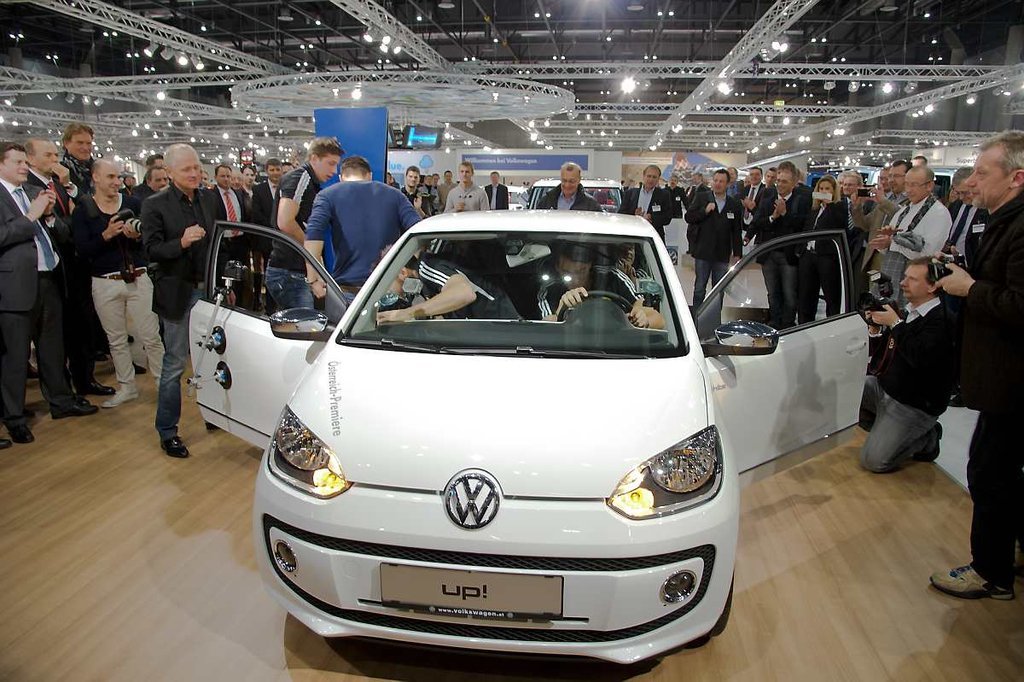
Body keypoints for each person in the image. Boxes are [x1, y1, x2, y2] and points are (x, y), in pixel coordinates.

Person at [930, 130, 1024, 601]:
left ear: (1016, 178)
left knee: (989, 473)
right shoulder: (1002, 221)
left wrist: (970, 289)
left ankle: (991, 572)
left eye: (983, 173)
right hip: (1000, 375)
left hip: (1010, 380)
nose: (971, 182)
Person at [0, 141, 99, 446]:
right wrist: (31, 216)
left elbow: (60, 232)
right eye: (17, 162)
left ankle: (60, 401)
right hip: (15, 286)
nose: (24, 167)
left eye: (24, 162)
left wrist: (49, 216)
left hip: (49, 277)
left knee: (52, 347)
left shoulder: (32, 192)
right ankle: (14, 418)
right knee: (16, 357)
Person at [24, 137, 113, 398]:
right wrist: (66, 222)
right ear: (31, 159)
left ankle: (84, 382)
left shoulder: (58, 184)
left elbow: (83, 213)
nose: (55, 160)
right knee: (55, 336)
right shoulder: (29, 189)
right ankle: (62, 392)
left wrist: (69, 187)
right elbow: (64, 228)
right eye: (49, 155)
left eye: (55, 155)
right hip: (51, 271)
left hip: (73, 267)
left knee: (79, 329)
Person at [72, 159, 164, 408]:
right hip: (104, 282)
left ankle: (163, 383)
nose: (117, 182)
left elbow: (150, 239)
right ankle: (127, 387)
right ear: (96, 178)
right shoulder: (83, 210)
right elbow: (82, 249)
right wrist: (106, 235)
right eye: (111, 177)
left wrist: (137, 235)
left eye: (119, 177)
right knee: (116, 340)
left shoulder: (133, 204)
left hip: (138, 276)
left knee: (151, 336)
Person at [141, 143, 214, 459]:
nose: (194, 173)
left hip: (208, 292)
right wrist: (181, 242)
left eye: (197, 167)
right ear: (169, 172)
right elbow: (151, 250)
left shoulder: (209, 199)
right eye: (187, 169)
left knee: (211, 358)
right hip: (177, 294)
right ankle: (168, 430)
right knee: (174, 363)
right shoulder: (154, 205)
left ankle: (215, 414)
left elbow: (218, 243)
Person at [859, 257, 954, 473]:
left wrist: (895, 324)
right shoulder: (908, 312)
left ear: (932, 286)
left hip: (913, 405)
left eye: (912, 279)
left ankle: (927, 438)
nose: (903, 283)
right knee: (845, 392)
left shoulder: (943, 321)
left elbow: (919, 357)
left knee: (873, 462)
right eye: (905, 277)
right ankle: (887, 430)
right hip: (884, 389)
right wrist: (875, 330)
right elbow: (886, 354)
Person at [304, 155, 420, 305]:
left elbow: (313, 233)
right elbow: (419, 230)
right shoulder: (395, 195)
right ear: (369, 175)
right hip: (387, 287)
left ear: (341, 177)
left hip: (348, 290)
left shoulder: (327, 195)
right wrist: (411, 269)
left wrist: (313, 279)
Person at [265, 137, 342, 311]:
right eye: (330, 163)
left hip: (294, 270)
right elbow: (285, 221)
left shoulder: (311, 183)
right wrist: (311, 251)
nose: (334, 170)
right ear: (314, 158)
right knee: (305, 324)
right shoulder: (301, 177)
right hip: (288, 272)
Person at [869, 166, 951, 308]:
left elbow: (927, 254)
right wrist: (885, 240)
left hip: (916, 279)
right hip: (891, 272)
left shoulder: (939, 213)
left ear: (929, 185)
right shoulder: (906, 209)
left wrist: (893, 242)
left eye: (914, 185)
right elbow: (891, 244)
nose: (908, 190)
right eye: (907, 184)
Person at [537, 242, 664, 329]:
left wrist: (642, 319)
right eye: (567, 273)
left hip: (618, 349)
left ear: (590, 266)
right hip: (569, 351)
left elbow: (657, 318)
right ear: (558, 268)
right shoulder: (549, 291)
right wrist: (560, 311)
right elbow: (545, 328)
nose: (574, 279)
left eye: (581, 271)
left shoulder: (613, 278)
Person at [747, 161, 811, 329]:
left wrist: (784, 214)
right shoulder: (768, 198)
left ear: (794, 183)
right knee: (772, 293)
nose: (780, 185)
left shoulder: (802, 200)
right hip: (769, 254)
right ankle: (775, 323)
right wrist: (772, 217)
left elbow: (802, 226)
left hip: (789, 256)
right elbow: (758, 221)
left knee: (790, 294)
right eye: (778, 181)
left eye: (784, 182)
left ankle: (787, 325)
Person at [376, 251, 519, 323]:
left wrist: (403, 314)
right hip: (484, 328)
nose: (388, 290)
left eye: (387, 283)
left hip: (501, 325)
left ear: (402, 272)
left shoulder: (427, 268)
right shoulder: (424, 284)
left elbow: (464, 294)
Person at [684, 168, 742, 308]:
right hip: (703, 251)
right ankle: (697, 315)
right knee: (700, 287)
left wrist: (737, 253)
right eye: (715, 180)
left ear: (727, 184)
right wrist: (704, 211)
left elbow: (736, 230)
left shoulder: (733, 204)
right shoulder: (702, 197)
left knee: (718, 289)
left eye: (721, 181)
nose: (717, 184)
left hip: (722, 254)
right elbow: (689, 217)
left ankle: (715, 316)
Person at [797, 175, 846, 324]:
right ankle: (805, 325)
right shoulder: (814, 209)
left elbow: (839, 225)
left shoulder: (839, 207)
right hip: (808, 255)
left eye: (827, 189)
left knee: (831, 295)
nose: (824, 192)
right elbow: (806, 228)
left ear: (834, 191)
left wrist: (830, 205)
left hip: (827, 257)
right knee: (806, 295)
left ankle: (833, 325)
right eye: (821, 188)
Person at [619, 164, 673, 239]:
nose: (651, 179)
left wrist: (651, 218)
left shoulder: (664, 195)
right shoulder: (630, 193)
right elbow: (621, 214)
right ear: (644, 176)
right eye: (649, 176)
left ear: (658, 179)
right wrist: (634, 215)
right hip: (632, 234)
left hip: (654, 236)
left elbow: (667, 217)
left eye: (654, 177)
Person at [536, 162, 601, 211]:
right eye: (564, 180)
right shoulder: (546, 201)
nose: (567, 185)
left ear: (579, 180)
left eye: (571, 181)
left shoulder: (591, 205)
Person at [60, 122, 95, 196]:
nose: (85, 148)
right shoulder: (59, 172)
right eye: (80, 143)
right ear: (66, 144)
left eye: (89, 143)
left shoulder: (98, 169)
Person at [250, 157, 282, 228]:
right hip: (266, 231)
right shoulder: (258, 190)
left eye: (278, 169)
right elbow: (257, 214)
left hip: (286, 232)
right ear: (266, 171)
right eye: (272, 170)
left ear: (281, 171)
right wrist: (273, 227)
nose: (275, 173)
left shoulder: (287, 188)